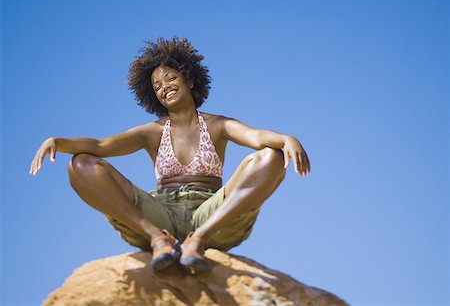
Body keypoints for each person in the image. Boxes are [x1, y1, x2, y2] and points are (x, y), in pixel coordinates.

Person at [29, 36, 311, 274]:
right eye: (157, 86)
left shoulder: (218, 125)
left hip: (211, 214)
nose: (165, 87)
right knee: (80, 164)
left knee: (271, 157)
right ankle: (157, 240)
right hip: (159, 215)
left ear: (188, 79)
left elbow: (257, 138)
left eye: (171, 78)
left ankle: (197, 240)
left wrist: (288, 139)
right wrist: (58, 141)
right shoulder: (151, 133)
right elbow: (101, 145)